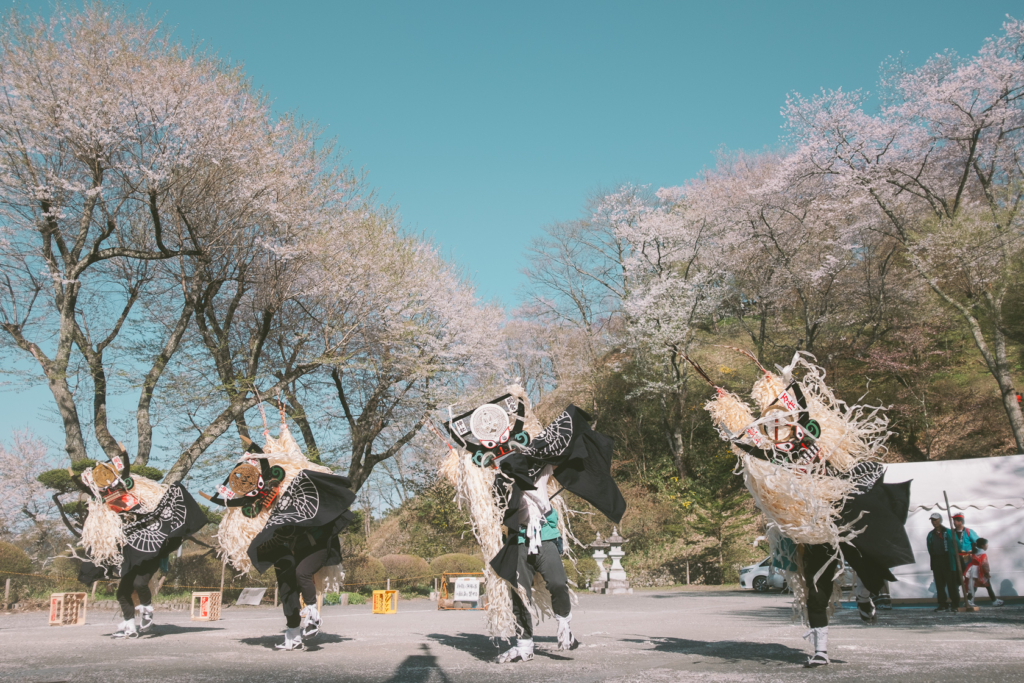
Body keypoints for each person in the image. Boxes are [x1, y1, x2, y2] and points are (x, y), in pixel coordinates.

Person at [691, 350, 914, 668]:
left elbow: (799, 400)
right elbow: (744, 442)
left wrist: (776, 380)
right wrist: (726, 405)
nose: (778, 430)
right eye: (773, 429)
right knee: (816, 586)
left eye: (782, 424)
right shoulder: (776, 455)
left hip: (841, 507)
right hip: (810, 525)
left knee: (869, 552)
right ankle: (820, 650)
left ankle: (866, 594)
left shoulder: (811, 436)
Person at [439, 386, 626, 663]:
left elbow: (559, 445)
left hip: (545, 532)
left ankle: (565, 625)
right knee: (518, 591)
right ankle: (524, 643)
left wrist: (527, 409)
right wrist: (466, 461)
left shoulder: (539, 461)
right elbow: (471, 488)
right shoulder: (491, 474)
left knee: (558, 583)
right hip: (516, 537)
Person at [206, 413, 355, 652]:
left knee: (301, 573)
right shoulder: (259, 507)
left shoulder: (296, 488)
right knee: (286, 587)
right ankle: (293, 635)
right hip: (283, 546)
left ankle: (313, 614)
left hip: (313, 544)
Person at [73, 446, 208, 638]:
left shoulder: (133, 496)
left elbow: (147, 511)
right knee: (122, 592)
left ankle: (147, 613)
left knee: (139, 583)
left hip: (149, 549)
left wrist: (124, 456)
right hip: (130, 550)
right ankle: (129, 625)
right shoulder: (106, 502)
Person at [926, 512, 961, 612]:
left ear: (940, 520)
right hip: (937, 561)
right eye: (932, 520)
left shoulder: (949, 532)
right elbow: (929, 547)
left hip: (948, 561)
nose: (934, 522)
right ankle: (942, 603)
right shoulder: (931, 534)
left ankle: (955, 603)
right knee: (940, 585)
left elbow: (957, 546)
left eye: (936, 520)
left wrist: (954, 555)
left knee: (952, 584)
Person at [964, 538, 1004, 607]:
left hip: (972, 570)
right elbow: (984, 564)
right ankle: (994, 600)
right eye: (986, 544)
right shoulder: (982, 553)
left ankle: (968, 600)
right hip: (980, 571)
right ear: (983, 545)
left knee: (973, 586)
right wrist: (986, 573)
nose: (987, 546)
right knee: (988, 586)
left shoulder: (974, 551)